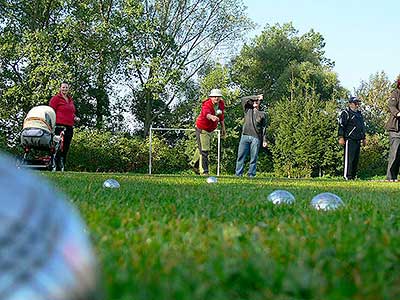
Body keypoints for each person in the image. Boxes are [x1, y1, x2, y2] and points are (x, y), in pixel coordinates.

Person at [192, 89, 226, 175]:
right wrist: (212, 117)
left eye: (218, 96)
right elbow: (206, 113)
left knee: (202, 147)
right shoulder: (206, 104)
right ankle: (204, 172)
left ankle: (193, 164)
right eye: (214, 96)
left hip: (210, 129)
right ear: (211, 97)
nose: (216, 98)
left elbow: (221, 116)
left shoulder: (221, 104)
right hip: (202, 128)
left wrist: (223, 129)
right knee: (204, 150)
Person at [235, 94, 267, 178]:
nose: (256, 102)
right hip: (244, 136)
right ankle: (238, 174)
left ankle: (251, 174)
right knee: (240, 156)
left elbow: (264, 128)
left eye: (257, 101)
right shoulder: (247, 110)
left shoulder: (262, 114)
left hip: (256, 138)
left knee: (254, 158)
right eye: (254, 101)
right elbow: (243, 99)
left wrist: (264, 140)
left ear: (260, 103)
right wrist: (256, 97)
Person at [49, 82, 79, 170]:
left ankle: (62, 165)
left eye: (66, 87)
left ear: (68, 89)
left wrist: (75, 118)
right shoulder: (56, 99)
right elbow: (51, 111)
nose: (64, 89)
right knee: (57, 146)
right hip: (59, 126)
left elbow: (71, 113)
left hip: (69, 126)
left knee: (66, 146)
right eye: (63, 87)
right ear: (60, 88)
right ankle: (54, 165)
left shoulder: (70, 100)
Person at [338, 96, 366, 180]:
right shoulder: (345, 113)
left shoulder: (359, 114)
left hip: (358, 139)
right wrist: (341, 137)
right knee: (349, 159)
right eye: (355, 103)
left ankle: (353, 176)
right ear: (350, 104)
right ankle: (347, 176)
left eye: (358, 103)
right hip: (349, 139)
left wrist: (364, 138)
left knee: (355, 159)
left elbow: (362, 127)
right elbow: (341, 125)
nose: (357, 105)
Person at [385, 77, 400, 182]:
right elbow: (391, 105)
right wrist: (398, 113)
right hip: (396, 129)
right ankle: (391, 177)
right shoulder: (396, 93)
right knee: (395, 153)